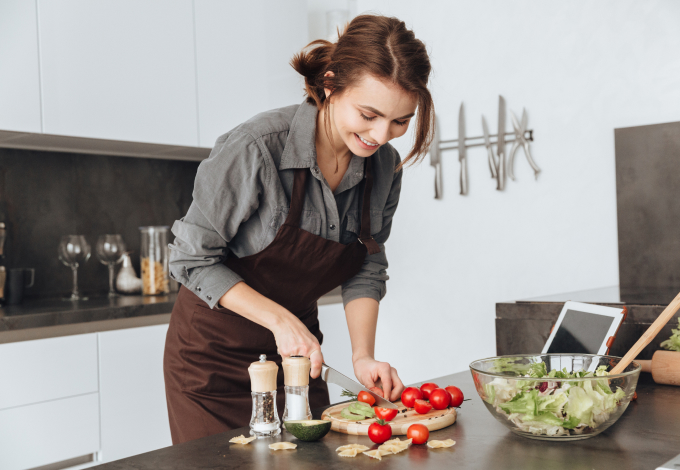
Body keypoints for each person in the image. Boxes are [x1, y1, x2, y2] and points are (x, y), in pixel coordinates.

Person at [163, 13, 434, 444]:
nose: (382, 135)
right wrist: (280, 320)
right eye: (368, 114)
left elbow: (366, 264)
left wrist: (363, 356)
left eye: (401, 121)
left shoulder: (383, 168)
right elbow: (190, 259)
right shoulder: (256, 147)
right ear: (330, 84)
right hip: (212, 363)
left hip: (298, 360)